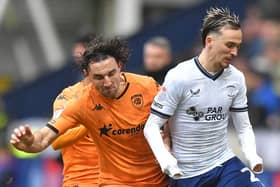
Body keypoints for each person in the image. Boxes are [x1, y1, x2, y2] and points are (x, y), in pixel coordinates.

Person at [10, 37, 169, 186]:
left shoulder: (146, 86)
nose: (107, 83)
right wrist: (30, 143)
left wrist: (167, 143)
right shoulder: (79, 102)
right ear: (87, 74)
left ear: (120, 66)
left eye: (111, 74)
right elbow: (46, 139)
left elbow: (172, 116)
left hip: (155, 179)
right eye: (99, 77)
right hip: (96, 180)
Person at [144, 7, 264, 187]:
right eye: (229, 45)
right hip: (187, 174)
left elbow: (244, 126)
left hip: (224, 164)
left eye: (238, 46)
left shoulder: (236, 78)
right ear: (210, 41)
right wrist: (165, 159)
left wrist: (251, 154)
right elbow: (152, 126)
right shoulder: (180, 76)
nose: (235, 53)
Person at [50, 34, 99, 187]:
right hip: (81, 180)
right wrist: (89, 124)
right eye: (76, 56)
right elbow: (56, 140)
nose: (77, 61)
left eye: (80, 55)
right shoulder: (68, 95)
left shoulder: (125, 90)